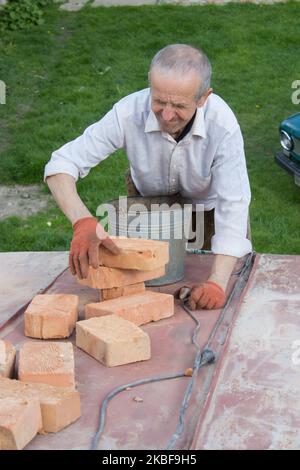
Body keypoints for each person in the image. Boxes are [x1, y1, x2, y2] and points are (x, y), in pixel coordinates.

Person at [44, 44, 252, 311]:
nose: (166, 115)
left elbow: (233, 203)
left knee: (217, 300)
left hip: (207, 214)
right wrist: (82, 221)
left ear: (203, 98)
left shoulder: (222, 125)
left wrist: (217, 283)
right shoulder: (128, 112)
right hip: (149, 210)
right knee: (143, 296)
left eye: (178, 105)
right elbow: (61, 164)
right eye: (159, 101)